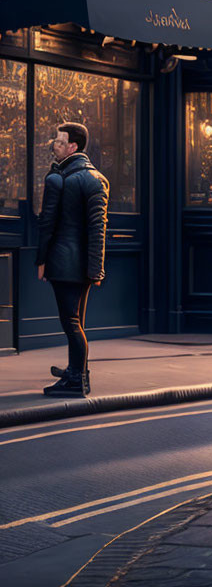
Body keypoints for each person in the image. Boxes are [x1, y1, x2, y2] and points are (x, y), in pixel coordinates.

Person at [37, 122, 109, 399]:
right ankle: (76, 372)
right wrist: (95, 269)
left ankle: (76, 381)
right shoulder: (95, 178)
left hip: (64, 264)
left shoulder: (63, 178)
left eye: (58, 141)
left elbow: (48, 224)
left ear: (72, 147)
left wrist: (41, 260)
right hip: (82, 266)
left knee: (70, 321)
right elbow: (97, 228)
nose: (54, 145)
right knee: (76, 320)